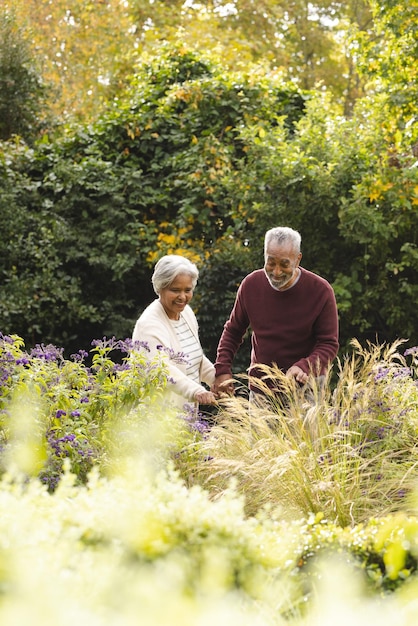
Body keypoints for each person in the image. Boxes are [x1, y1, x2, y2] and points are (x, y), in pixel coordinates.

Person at [212, 226, 339, 400]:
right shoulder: (250, 285)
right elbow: (233, 331)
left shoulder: (321, 291)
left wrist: (304, 367)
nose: (276, 272)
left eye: (284, 264)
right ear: (264, 256)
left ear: (297, 259)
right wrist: (222, 369)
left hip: (307, 388)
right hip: (262, 389)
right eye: (271, 263)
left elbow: (328, 344)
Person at [132, 254, 216, 414]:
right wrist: (196, 391)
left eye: (188, 290)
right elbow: (162, 370)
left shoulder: (186, 313)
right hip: (159, 419)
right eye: (175, 290)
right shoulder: (149, 324)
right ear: (160, 287)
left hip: (187, 416)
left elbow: (193, 357)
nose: (182, 297)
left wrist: (216, 378)